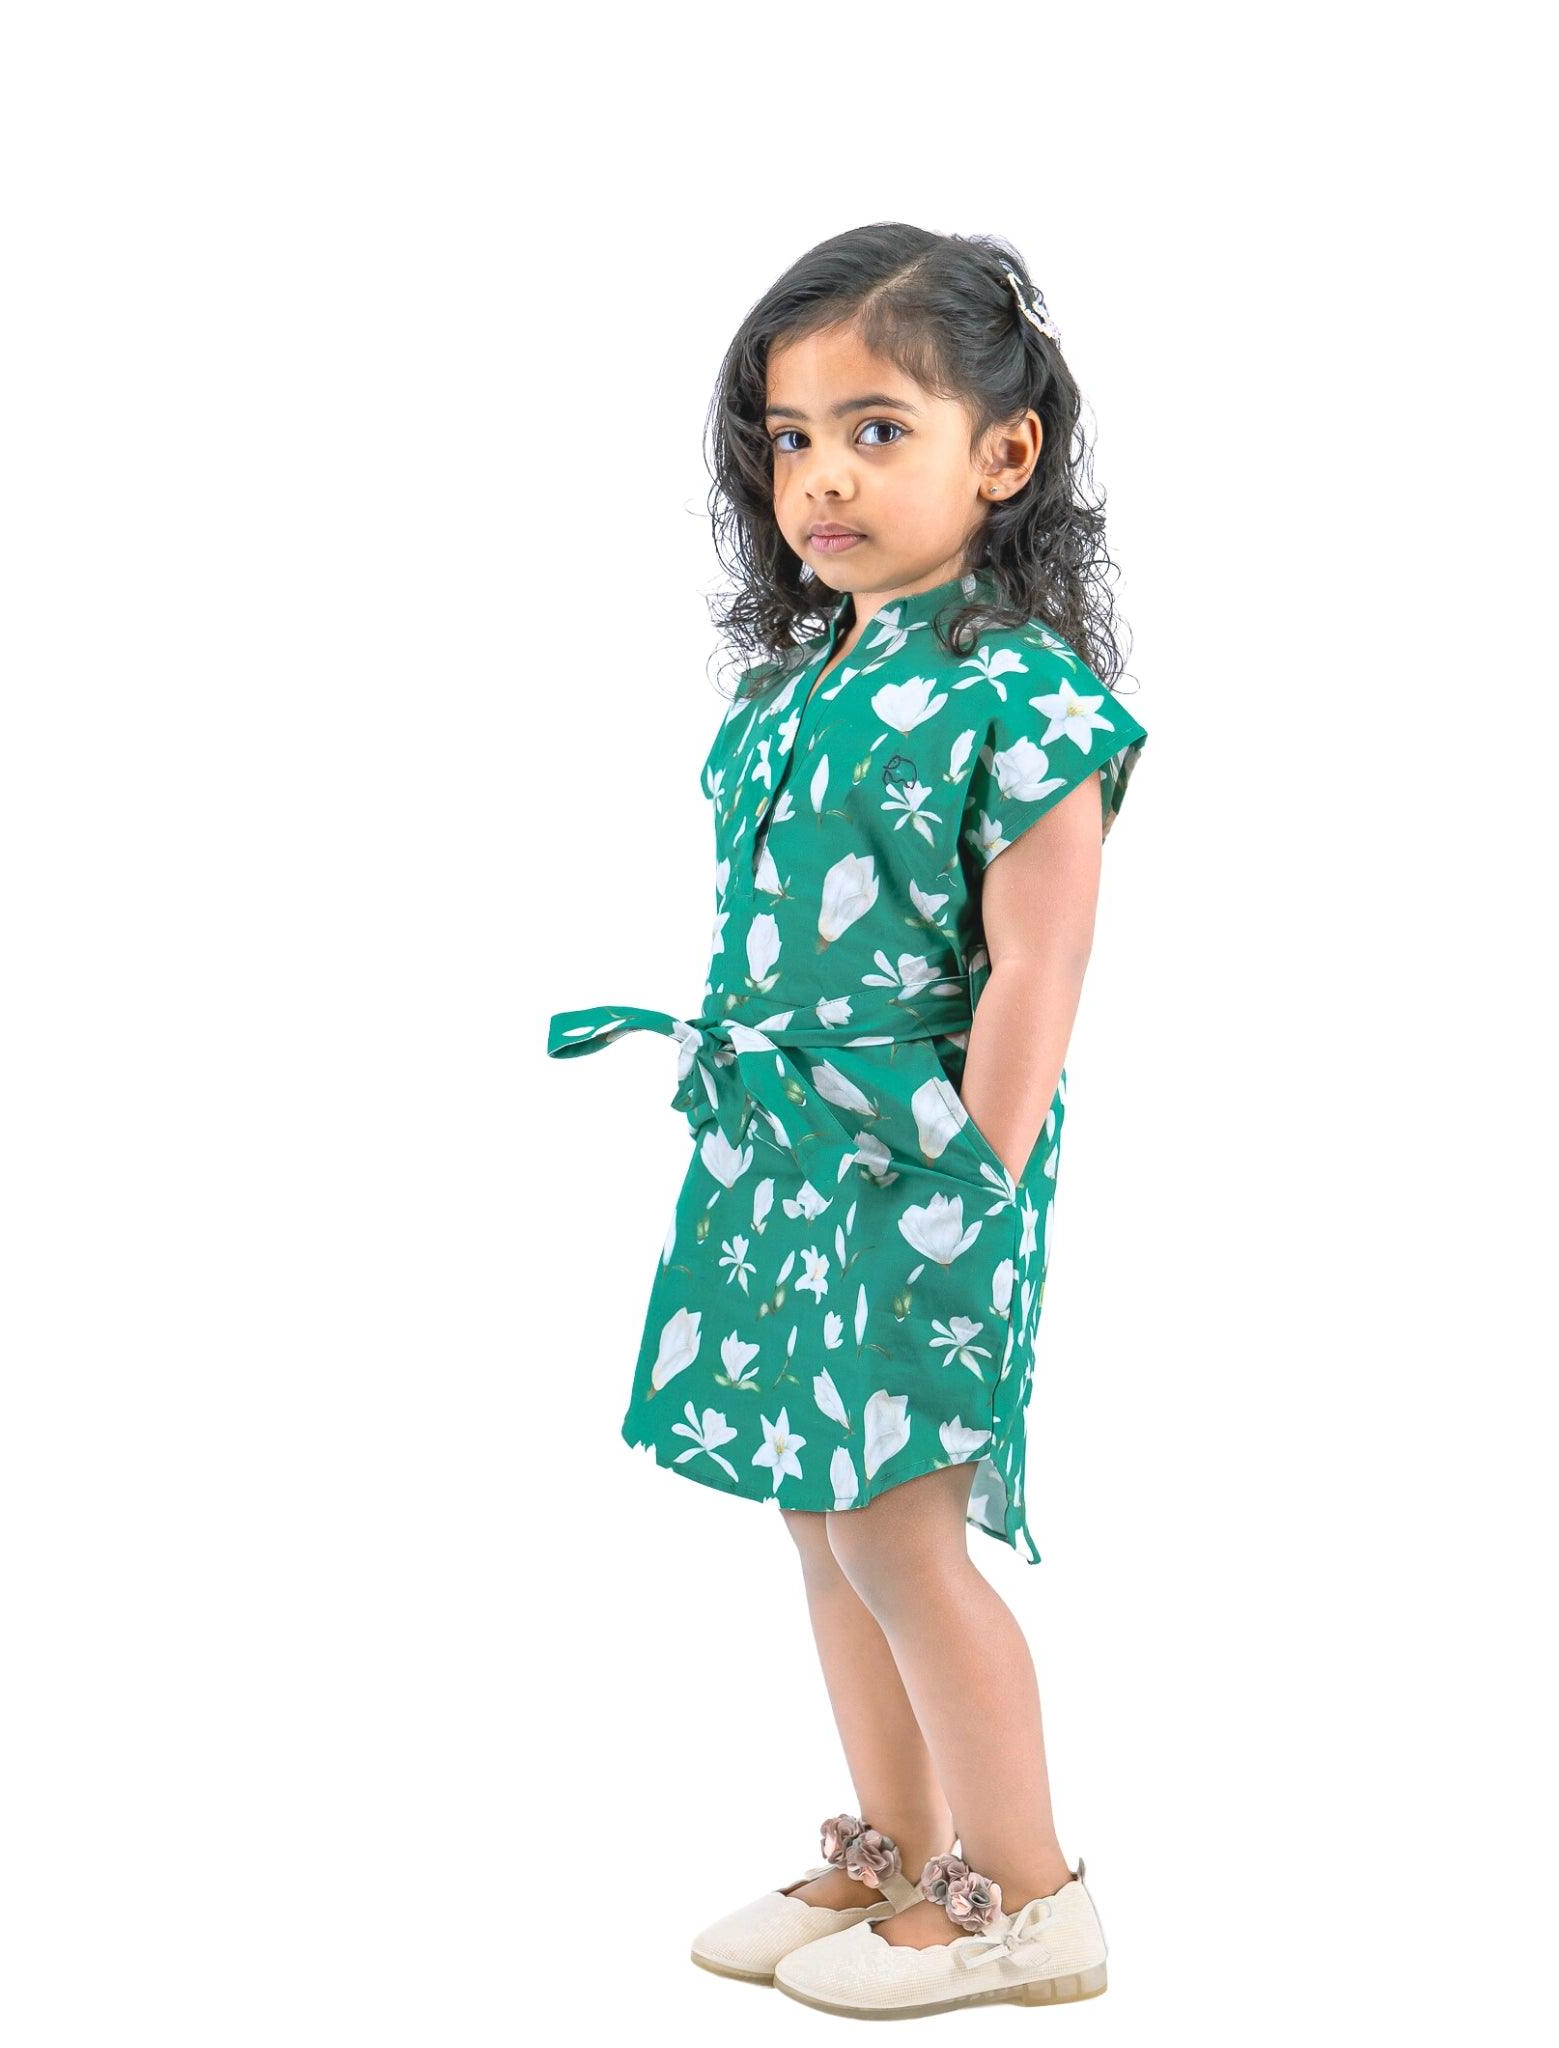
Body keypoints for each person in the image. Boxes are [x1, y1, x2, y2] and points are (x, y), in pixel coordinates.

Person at [545, 224, 1150, 2019]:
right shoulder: (792, 690)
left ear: (1004, 452)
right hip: (774, 1152)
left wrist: (979, 1153)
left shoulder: (1026, 698)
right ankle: (900, 1847)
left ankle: (1030, 1895)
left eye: (877, 429)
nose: (822, 477)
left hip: (923, 1164)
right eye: (791, 438)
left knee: (899, 1522)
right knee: (815, 1514)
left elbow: (1040, 961)